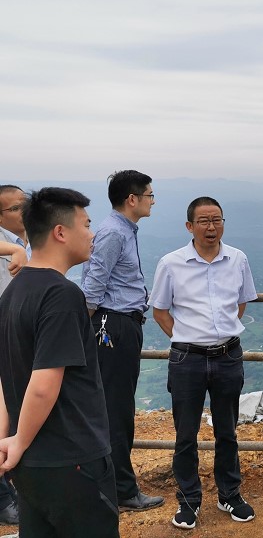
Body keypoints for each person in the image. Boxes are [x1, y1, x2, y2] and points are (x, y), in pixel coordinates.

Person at [0, 187, 122, 538]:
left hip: (34, 466)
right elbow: (44, 382)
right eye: (86, 224)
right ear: (60, 232)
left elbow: (6, 378)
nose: (92, 233)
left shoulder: (13, 292)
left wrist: (11, 441)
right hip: (74, 458)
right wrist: (17, 440)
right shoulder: (62, 294)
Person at [150, 197, 258, 530]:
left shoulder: (238, 259)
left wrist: (220, 332)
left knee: (228, 431)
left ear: (223, 223)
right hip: (187, 359)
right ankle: (188, 501)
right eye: (204, 221)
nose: (211, 227)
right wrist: (186, 337)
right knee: (185, 434)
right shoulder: (171, 263)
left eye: (217, 220)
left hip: (228, 356)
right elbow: (160, 311)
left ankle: (230, 495)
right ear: (190, 226)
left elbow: (240, 303)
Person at [81, 170, 164, 512]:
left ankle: (110, 485)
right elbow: (93, 284)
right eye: (149, 195)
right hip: (112, 325)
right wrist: (84, 329)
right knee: (117, 409)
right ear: (132, 199)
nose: (152, 200)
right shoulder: (115, 232)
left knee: (115, 405)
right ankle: (122, 490)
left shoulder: (122, 229)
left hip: (117, 324)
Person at [0, 185, 33, 526]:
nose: (24, 210)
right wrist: (14, 248)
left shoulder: (30, 242)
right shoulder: (10, 244)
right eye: (15, 207)